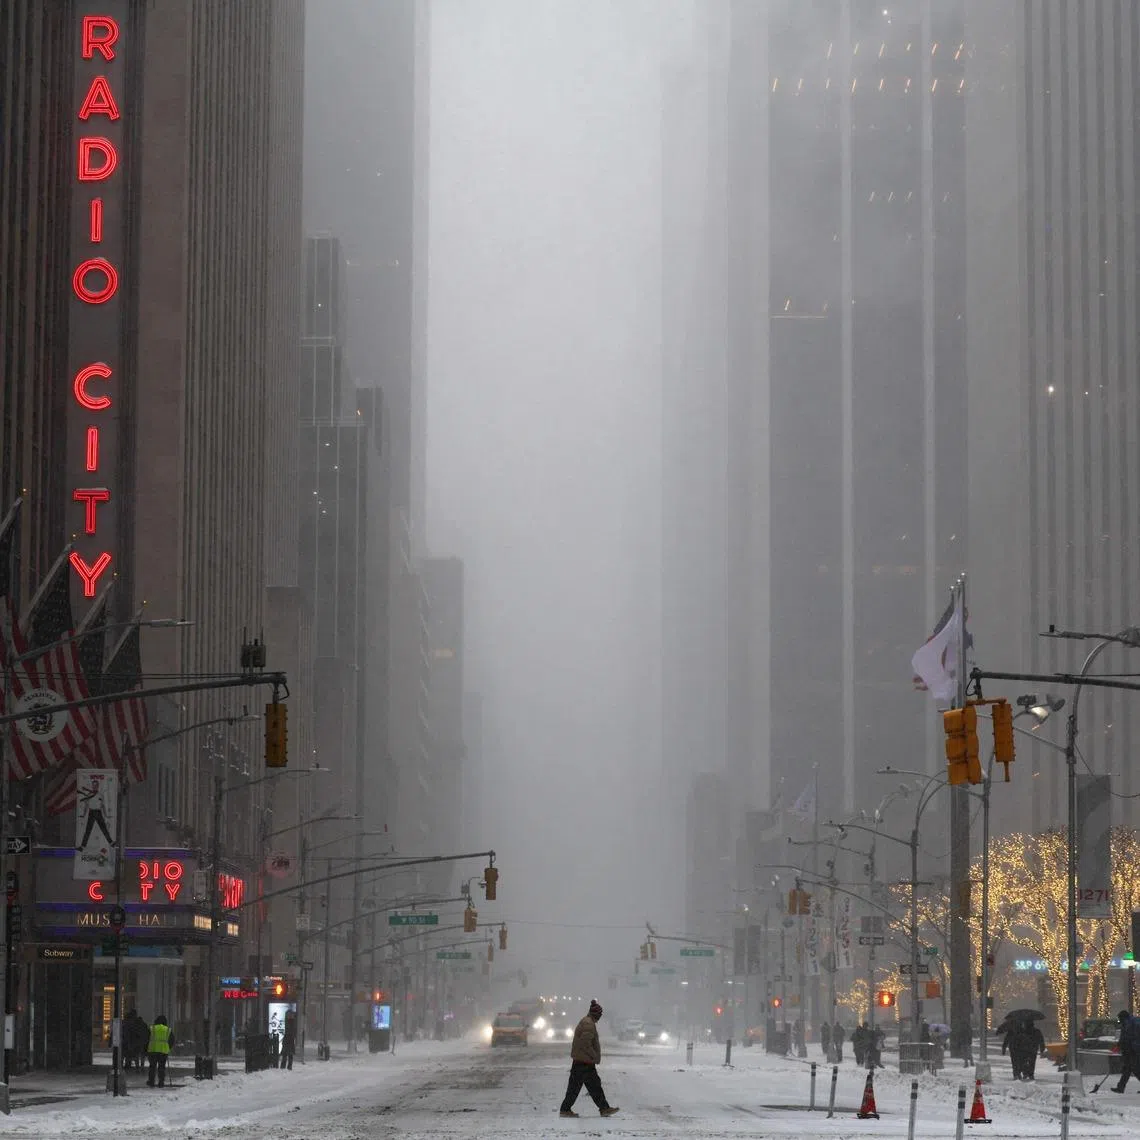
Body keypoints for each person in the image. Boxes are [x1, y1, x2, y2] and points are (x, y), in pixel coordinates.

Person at [559, 1000, 619, 1119]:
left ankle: (604, 1108)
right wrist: (594, 1055)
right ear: (596, 1014)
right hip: (584, 1062)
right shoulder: (588, 1024)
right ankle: (566, 1109)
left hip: (583, 1061)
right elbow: (585, 1043)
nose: (600, 1018)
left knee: (592, 1086)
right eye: (599, 1015)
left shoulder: (587, 1022)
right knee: (579, 1087)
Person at [1111, 1010, 1140, 1092]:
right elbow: (1123, 1036)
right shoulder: (1125, 1024)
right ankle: (1120, 1087)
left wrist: (1131, 1047)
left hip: (1135, 1050)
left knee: (1134, 1068)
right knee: (1128, 1068)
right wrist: (1120, 1045)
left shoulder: (1134, 1023)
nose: (1119, 1021)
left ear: (1124, 1018)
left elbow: (1133, 1037)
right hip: (1130, 1049)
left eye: (1120, 1019)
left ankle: (1120, 1087)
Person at [146, 1014, 173, 1088]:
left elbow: (147, 1038)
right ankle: (161, 1082)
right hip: (163, 1051)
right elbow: (171, 1040)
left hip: (153, 1050)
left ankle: (151, 1081)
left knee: (152, 1067)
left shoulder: (152, 1028)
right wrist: (168, 1047)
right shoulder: (167, 1029)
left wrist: (146, 1049)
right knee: (162, 1067)